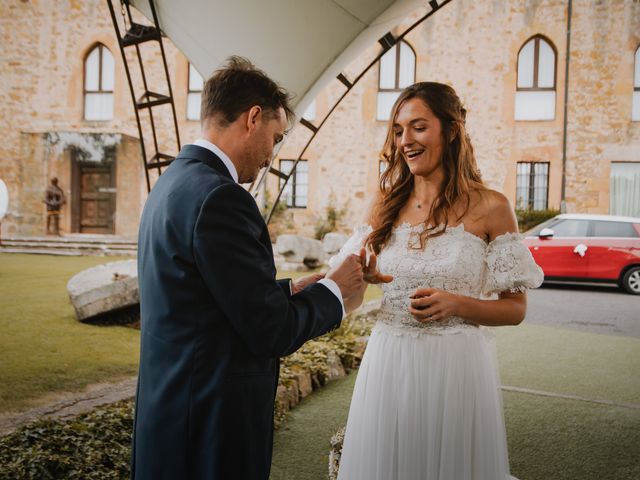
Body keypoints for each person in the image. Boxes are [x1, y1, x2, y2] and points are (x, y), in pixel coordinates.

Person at [132, 57, 365, 480]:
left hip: (168, 411)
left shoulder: (172, 182)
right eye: (275, 139)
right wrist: (335, 292)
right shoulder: (222, 197)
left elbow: (202, 295)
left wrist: (287, 291)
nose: (270, 157)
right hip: (210, 425)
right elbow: (269, 331)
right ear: (253, 118)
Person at [333, 82, 544, 480]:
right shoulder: (384, 204)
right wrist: (366, 277)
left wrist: (459, 304)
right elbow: (348, 286)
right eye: (397, 130)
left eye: (418, 127)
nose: (405, 141)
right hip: (390, 362)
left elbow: (515, 309)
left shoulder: (492, 207)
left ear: (450, 131)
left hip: (456, 370)